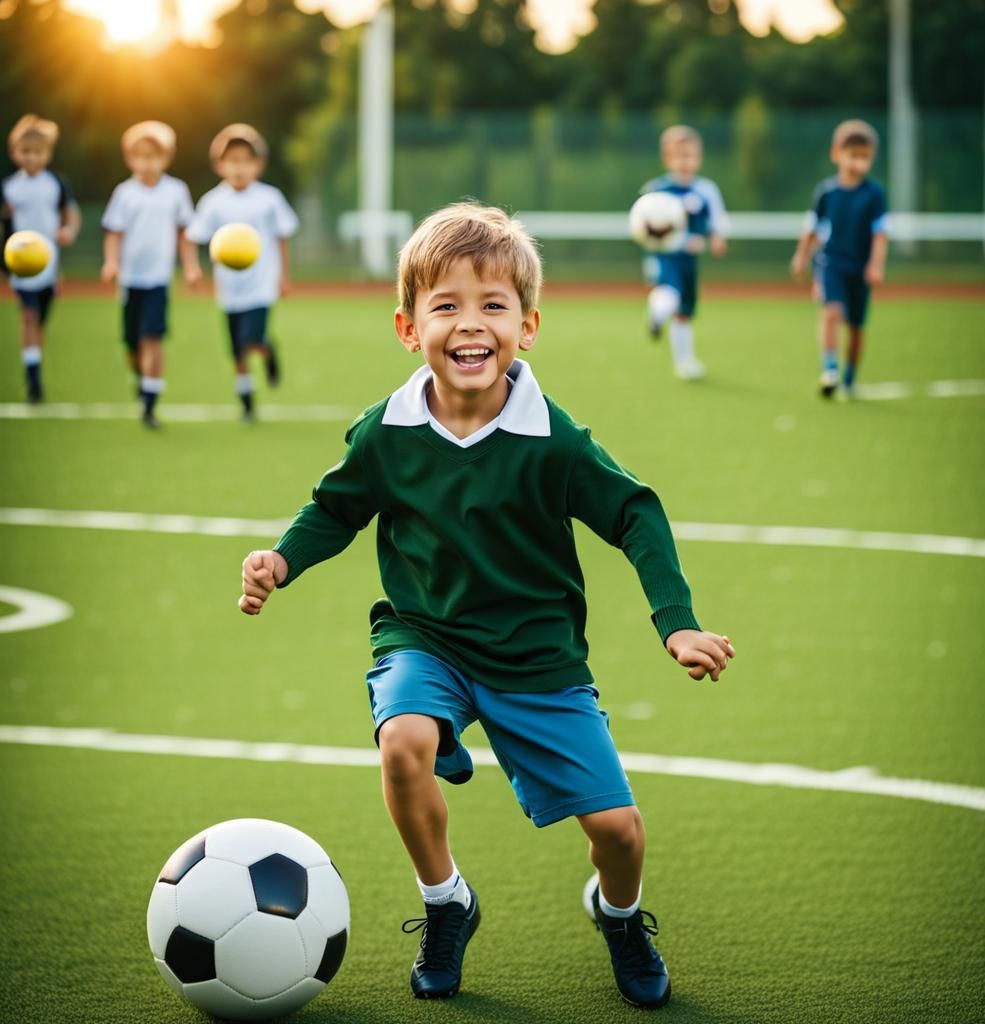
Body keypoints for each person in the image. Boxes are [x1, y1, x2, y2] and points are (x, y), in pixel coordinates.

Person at [237, 202, 735, 1009]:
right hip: (425, 634)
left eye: (494, 305)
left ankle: (619, 915)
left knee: (620, 836)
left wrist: (676, 623)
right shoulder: (386, 432)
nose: (471, 326)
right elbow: (336, 508)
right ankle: (447, 904)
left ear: (529, 327)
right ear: (407, 327)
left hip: (537, 657)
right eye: (447, 306)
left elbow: (635, 512)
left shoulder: (556, 441)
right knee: (402, 740)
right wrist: (281, 560)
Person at [186, 124, 298, 421]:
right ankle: (246, 399)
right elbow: (192, 235)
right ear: (220, 165)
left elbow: (282, 235)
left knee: (251, 340)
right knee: (236, 350)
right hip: (229, 289)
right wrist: (193, 268)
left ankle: (267, 350)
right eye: (232, 161)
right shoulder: (213, 202)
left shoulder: (269, 198)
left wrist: (284, 276)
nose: (239, 168)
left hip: (261, 285)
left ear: (258, 165)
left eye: (246, 161)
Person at [101, 121, 200, 428]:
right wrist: (111, 262)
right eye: (140, 156)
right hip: (131, 280)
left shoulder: (175, 191)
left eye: (153, 156)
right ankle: (142, 379)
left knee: (152, 338)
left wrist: (191, 266)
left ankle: (149, 403)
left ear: (166, 158)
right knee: (132, 344)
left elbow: (185, 233)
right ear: (130, 159)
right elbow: (114, 233)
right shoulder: (124, 193)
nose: (147, 163)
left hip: (159, 279)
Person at [790, 119, 889, 398]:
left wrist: (875, 265)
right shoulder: (826, 192)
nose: (859, 162)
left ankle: (850, 377)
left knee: (856, 328)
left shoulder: (874, 194)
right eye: (853, 155)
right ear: (837, 154)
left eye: (865, 157)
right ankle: (830, 370)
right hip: (831, 263)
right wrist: (801, 257)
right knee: (831, 312)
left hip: (860, 268)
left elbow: (880, 234)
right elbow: (812, 229)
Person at [2, 114, 81, 403]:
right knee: (29, 316)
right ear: (15, 153)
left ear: (47, 154)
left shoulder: (56, 184)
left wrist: (68, 231)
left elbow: (70, 215)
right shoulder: (9, 188)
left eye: (37, 152)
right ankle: (33, 377)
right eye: (26, 152)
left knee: (41, 321)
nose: (31, 158)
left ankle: (34, 361)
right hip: (20, 266)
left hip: (49, 266)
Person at [639, 125, 728, 380]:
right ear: (668, 158)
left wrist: (717, 239)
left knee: (684, 312)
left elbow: (715, 222)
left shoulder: (706, 190)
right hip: (665, 256)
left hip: (689, 260)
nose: (685, 162)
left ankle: (684, 362)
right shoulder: (656, 191)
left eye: (690, 155)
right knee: (671, 294)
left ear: (698, 157)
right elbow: (641, 223)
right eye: (678, 156)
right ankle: (657, 313)